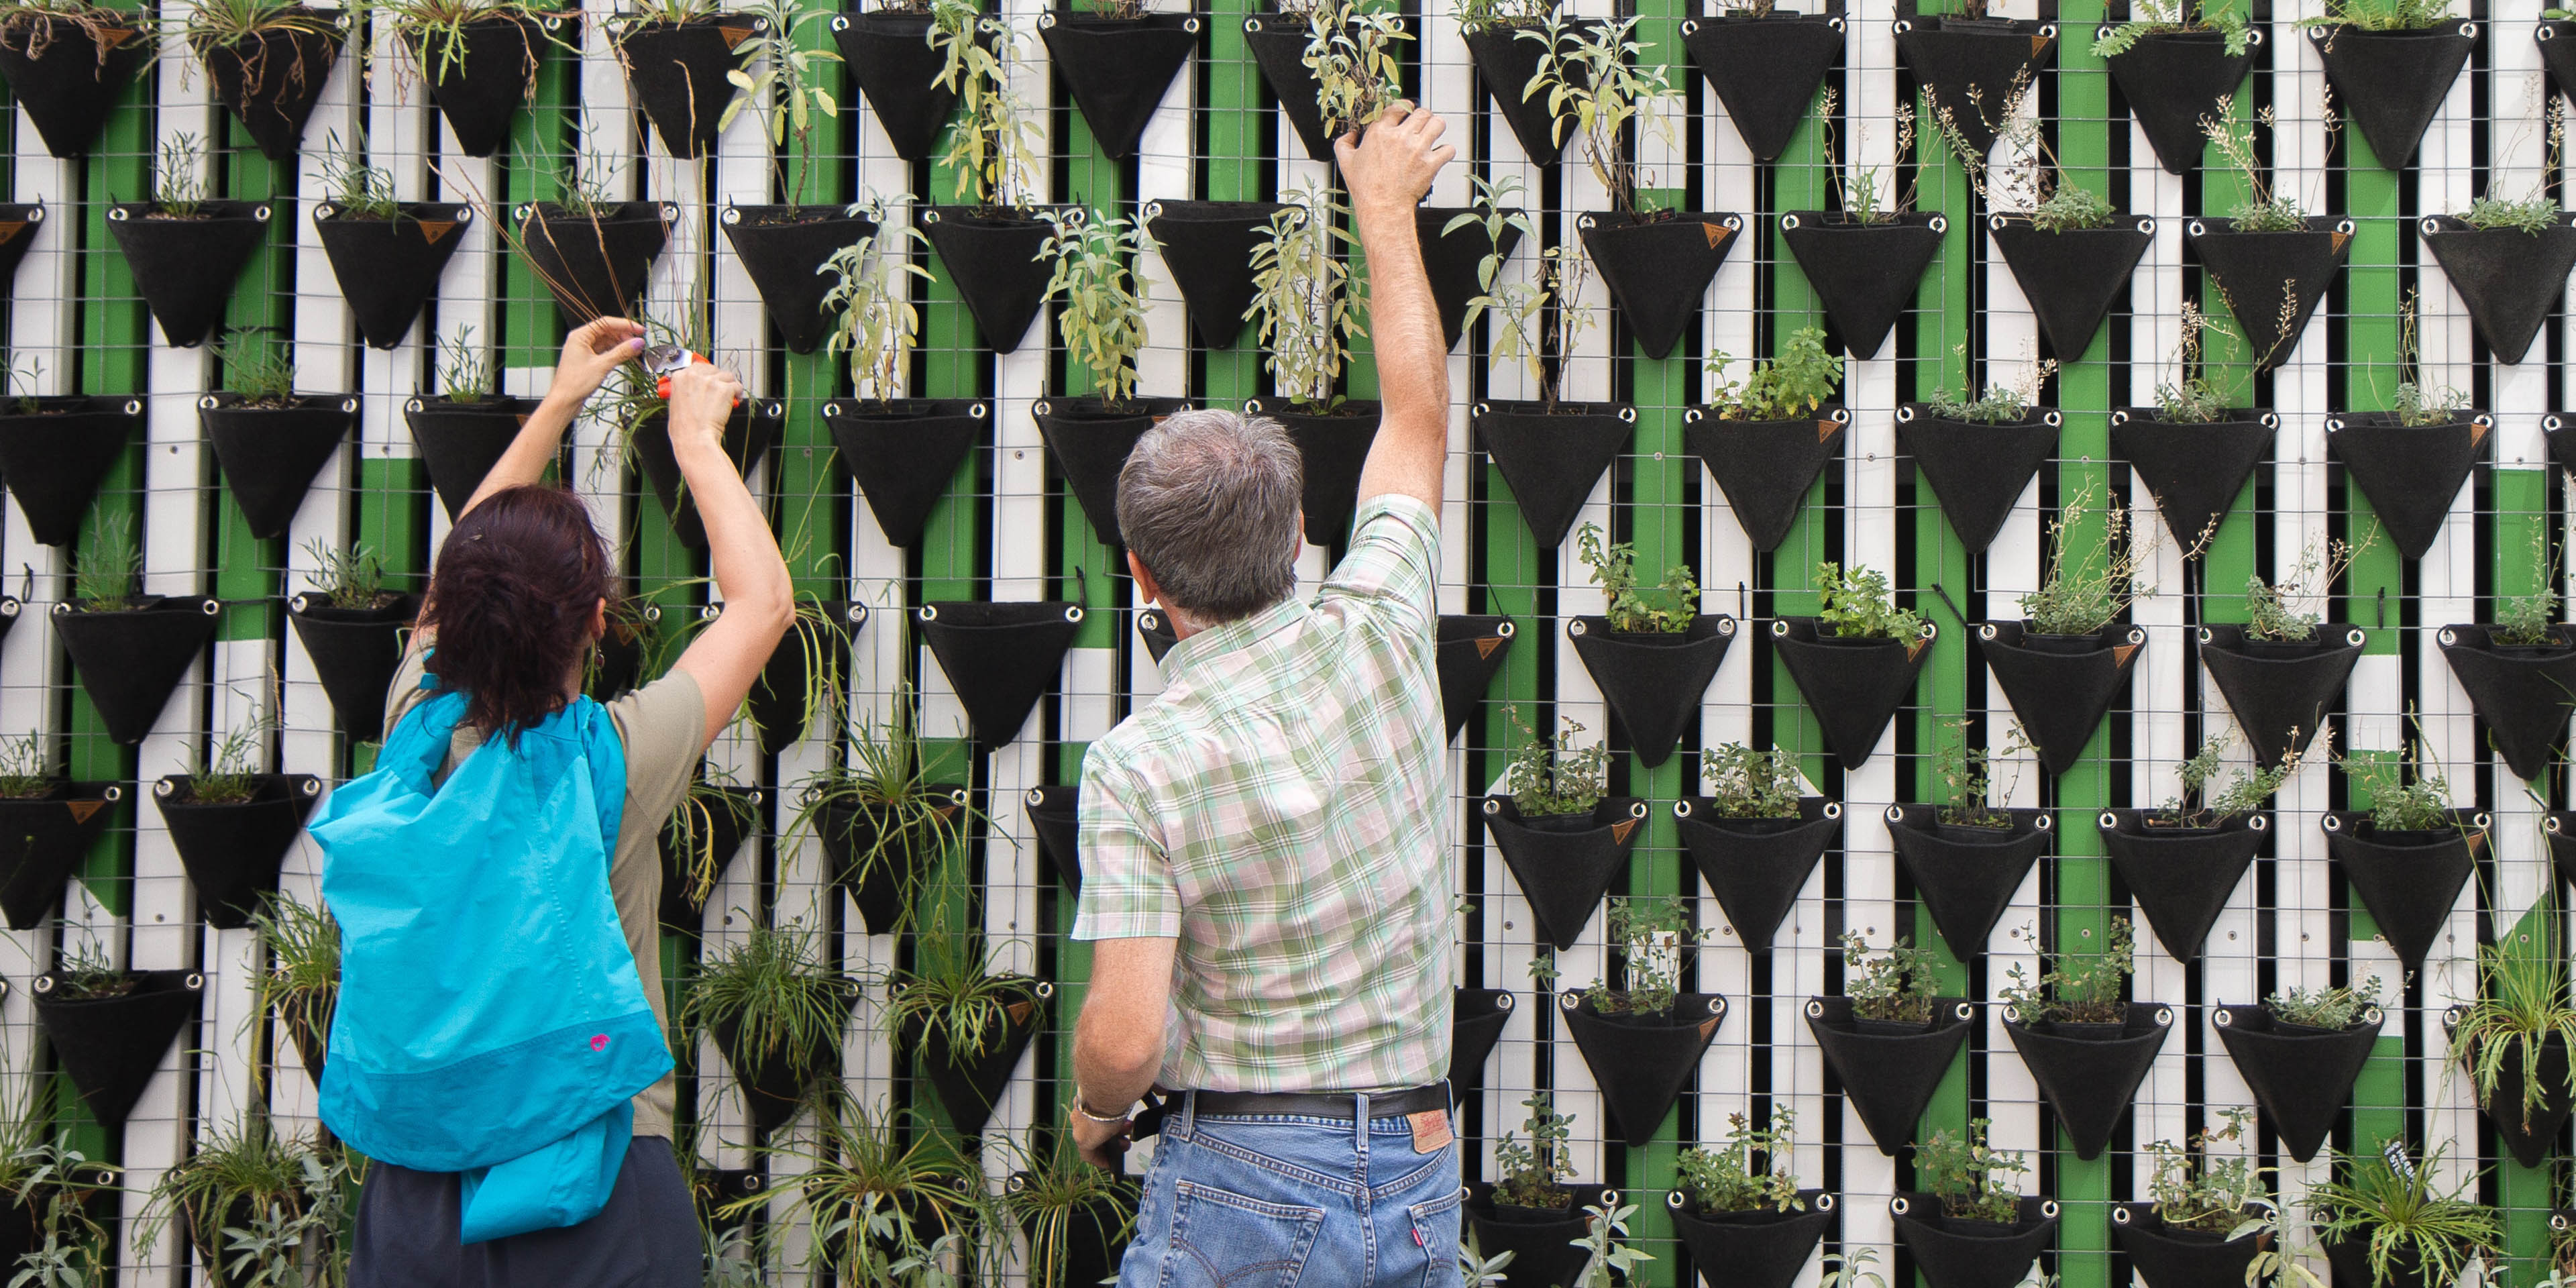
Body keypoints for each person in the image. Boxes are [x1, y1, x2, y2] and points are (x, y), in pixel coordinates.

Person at [1064, 103, 1460, 1286]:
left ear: (1138, 570)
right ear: (1299, 533)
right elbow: (1418, 417)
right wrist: (1384, 208)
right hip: (1422, 1160)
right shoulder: (1383, 624)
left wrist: (1095, 1108)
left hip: (1243, 1178)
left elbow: (1128, 1039)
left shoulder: (1139, 763)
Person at [318, 318, 794, 1288]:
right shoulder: (609, 761)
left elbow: (458, 585)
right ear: (598, 622)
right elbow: (762, 606)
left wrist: (560, 400)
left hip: (415, 1195)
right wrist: (695, 439)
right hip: (596, 1180)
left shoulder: (413, 727)